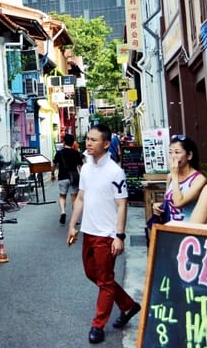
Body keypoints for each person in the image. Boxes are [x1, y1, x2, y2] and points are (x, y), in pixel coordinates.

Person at [66, 124, 140, 344]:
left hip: (107, 235)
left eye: (94, 140)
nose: (89, 143)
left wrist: (119, 235)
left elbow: (122, 204)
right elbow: (81, 197)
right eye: (87, 139)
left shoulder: (115, 172)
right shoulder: (87, 167)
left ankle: (98, 325)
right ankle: (128, 305)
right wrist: (73, 225)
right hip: (89, 231)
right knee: (93, 274)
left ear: (106, 144)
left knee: (105, 281)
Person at [152, 135, 205, 222]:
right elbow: (170, 200)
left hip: (189, 228)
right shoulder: (170, 177)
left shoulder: (198, 179)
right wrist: (160, 205)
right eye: (170, 152)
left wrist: (175, 175)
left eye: (177, 152)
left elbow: (178, 203)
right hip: (171, 227)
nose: (173, 156)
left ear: (189, 155)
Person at [51, 133, 84, 225]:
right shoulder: (76, 153)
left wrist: (52, 174)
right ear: (73, 143)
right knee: (74, 198)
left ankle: (63, 212)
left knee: (62, 196)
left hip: (62, 177)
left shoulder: (59, 153)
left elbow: (53, 165)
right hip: (74, 177)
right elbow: (81, 167)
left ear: (64, 142)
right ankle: (75, 219)